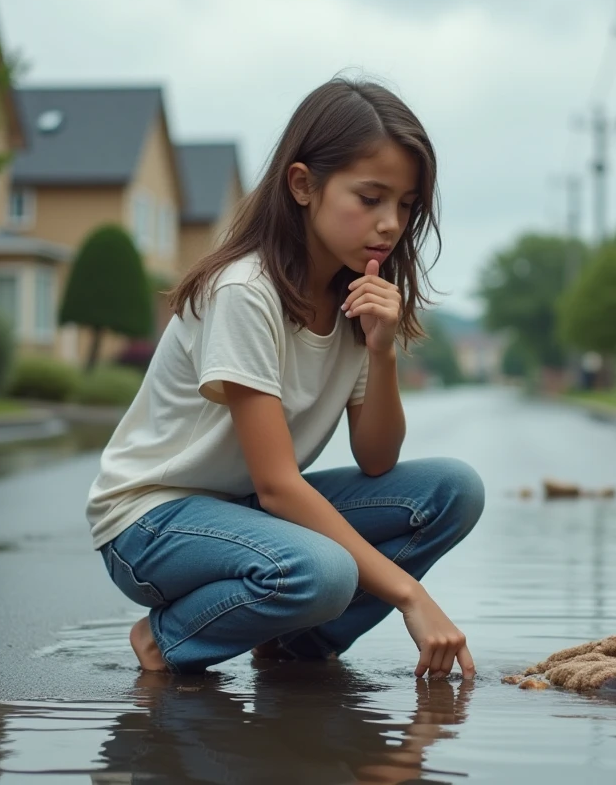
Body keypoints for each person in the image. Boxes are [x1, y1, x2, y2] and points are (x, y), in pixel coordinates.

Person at [85, 77, 484, 679]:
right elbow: (277, 486)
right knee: (323, 570)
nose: (390, 224)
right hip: (151, 521)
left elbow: (377, 460)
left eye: (405, 205)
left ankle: (298, 642)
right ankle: (167, 637)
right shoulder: (246, 292)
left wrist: (381, 352)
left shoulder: (354, 296)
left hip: (243, 512)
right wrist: (412, 595)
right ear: (302, 185)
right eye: (370, 198)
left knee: (453, 490)